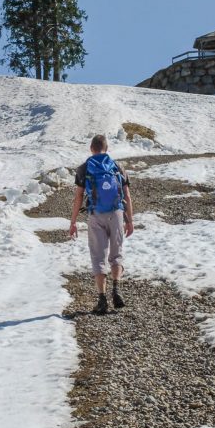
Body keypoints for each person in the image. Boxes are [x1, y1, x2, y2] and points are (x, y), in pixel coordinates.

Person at [69, 134, 134, 314]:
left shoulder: (84, 168)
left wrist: (73, 222)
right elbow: (127, 196)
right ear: (107, 148)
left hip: (96, 214)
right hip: (116, 213)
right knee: (116, 253)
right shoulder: (118, 167)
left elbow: (78, 197)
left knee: (98, 256)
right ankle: (116, 290)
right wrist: (130, 221)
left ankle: (102, 299)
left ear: (91, 148)